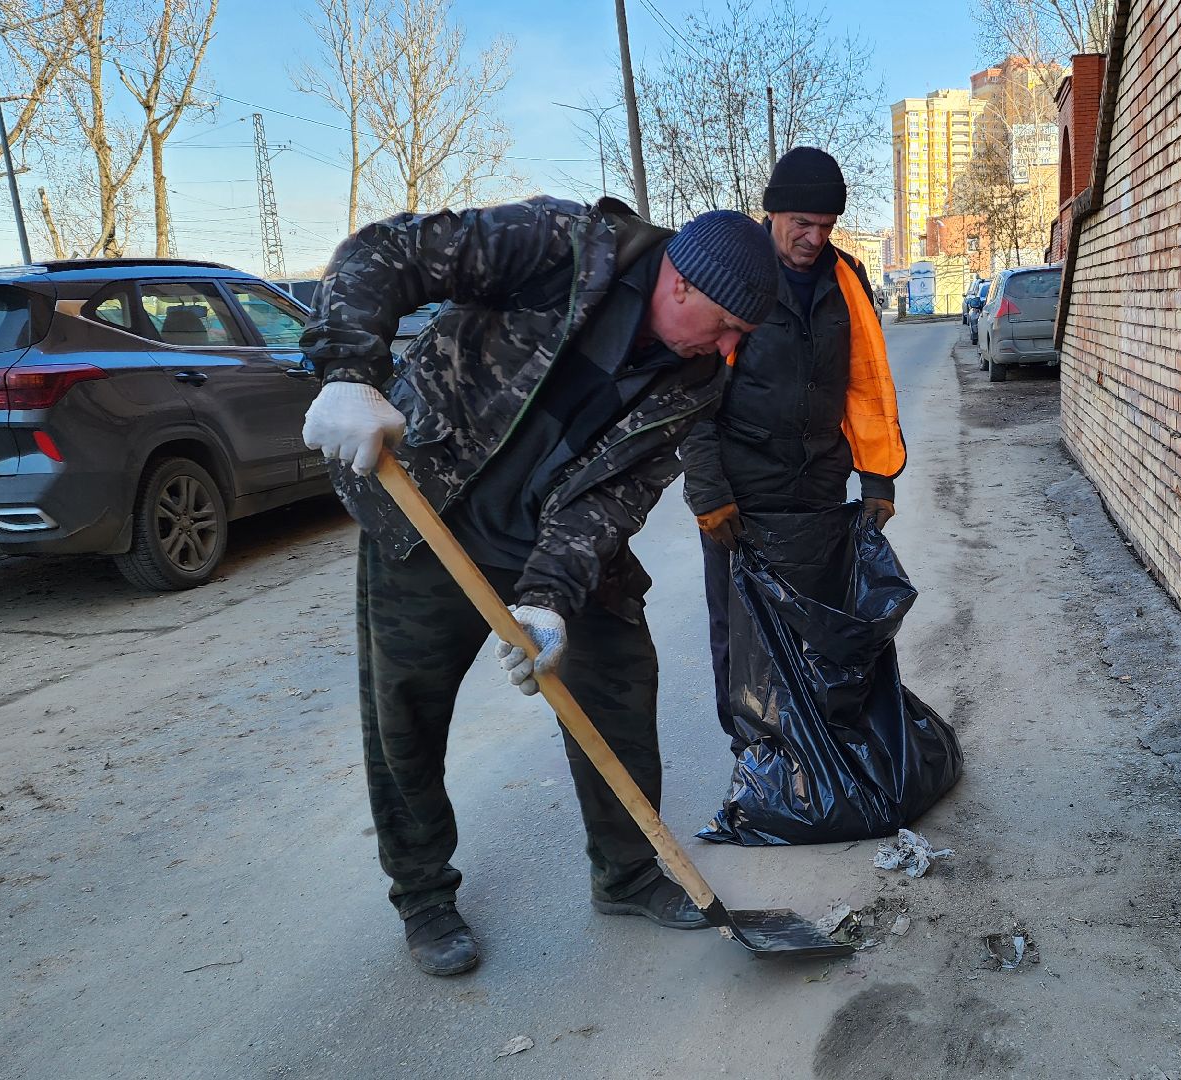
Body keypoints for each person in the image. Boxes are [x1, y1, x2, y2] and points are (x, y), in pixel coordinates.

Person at [299, 197, 778, 977]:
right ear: (681, 286)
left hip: (551, 537)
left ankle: (627, 873)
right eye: (725, 327)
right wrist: (351, 371)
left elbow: (613, 498)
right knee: (405, 707)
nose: (727, 350)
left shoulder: (693, 382)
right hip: (432, 511)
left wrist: (549, 597)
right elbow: (384, 252)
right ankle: (423, 894)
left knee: (619, 682)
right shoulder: (563, 248)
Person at [679, 148, 906, 749]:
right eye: (800, 224)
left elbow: (865, 385)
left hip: (820, 482)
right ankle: (754, 750)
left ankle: (814, 741)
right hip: (742, 489)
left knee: (818, 618)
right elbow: (693, 394)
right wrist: (708, 491)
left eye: (825, 226)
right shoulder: (737, 273)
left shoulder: (846, 282)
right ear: (771, 212)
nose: (813, 238)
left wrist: (877, 480)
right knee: (741, 619)